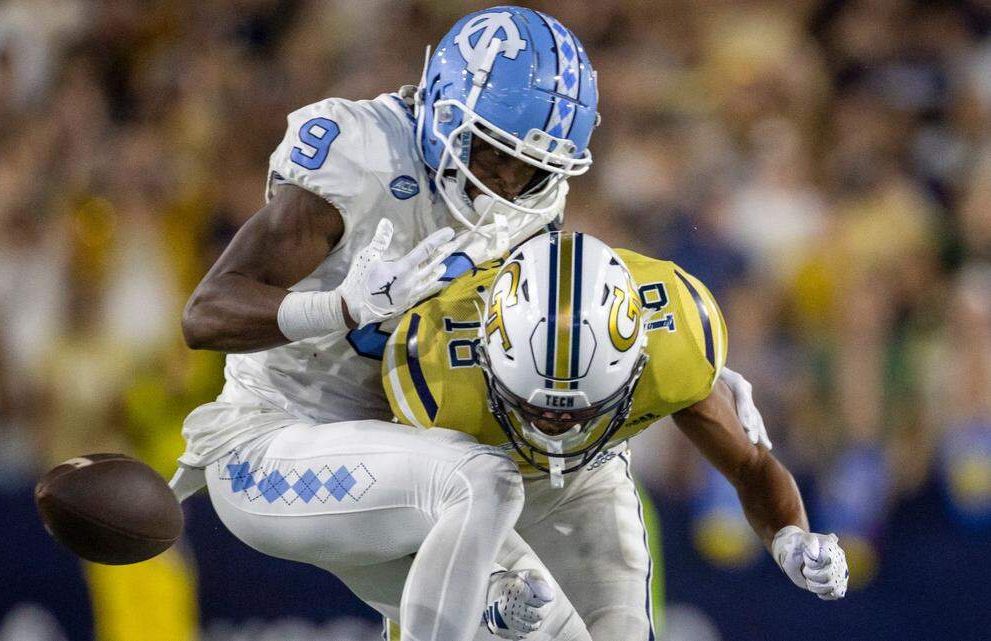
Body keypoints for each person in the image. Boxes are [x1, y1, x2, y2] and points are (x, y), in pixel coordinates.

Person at [173, 7, 601, 641]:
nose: (506, 186)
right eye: (491, 154)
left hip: (407, 470)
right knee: (480, 480)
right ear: (445, 111)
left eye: (529, 170)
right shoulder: (362, 152)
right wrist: (341, 307)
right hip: (269, 446)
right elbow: (204, 315)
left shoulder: (529, 210)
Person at [381, 231, 849, 640]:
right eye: (534, 410)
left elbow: (750, 467)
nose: (553, 430)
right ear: (485, 356)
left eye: (578, 413)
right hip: (462, 498)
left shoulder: (675, 344)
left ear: (634, 364)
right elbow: (404, 520)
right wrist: (488, 586)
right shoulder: (434, 366)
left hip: (590, 482)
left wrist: (790, 538)